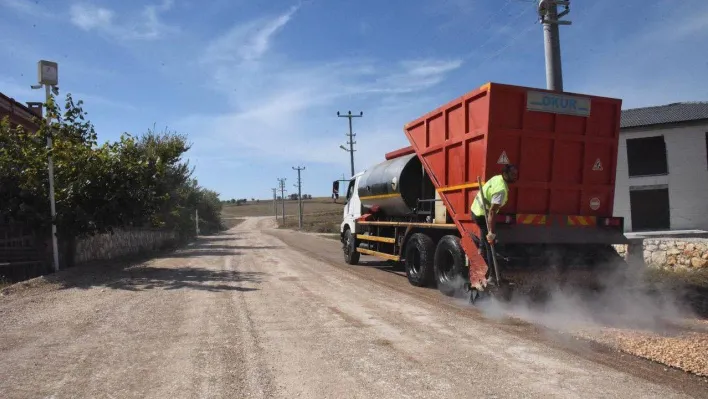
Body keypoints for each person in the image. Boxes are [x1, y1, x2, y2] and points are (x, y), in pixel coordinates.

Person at [470, 164, 519, 287]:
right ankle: (492, 276)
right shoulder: (501, 190)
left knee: (485, 236)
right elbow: (492, 212)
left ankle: (481, 247)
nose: (515, 176)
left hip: (476, 209)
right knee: (490, 244)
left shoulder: (498, 178)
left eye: (516, 174)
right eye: (513, 174)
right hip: (481, 214)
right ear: (505, 174)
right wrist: (491, 233)